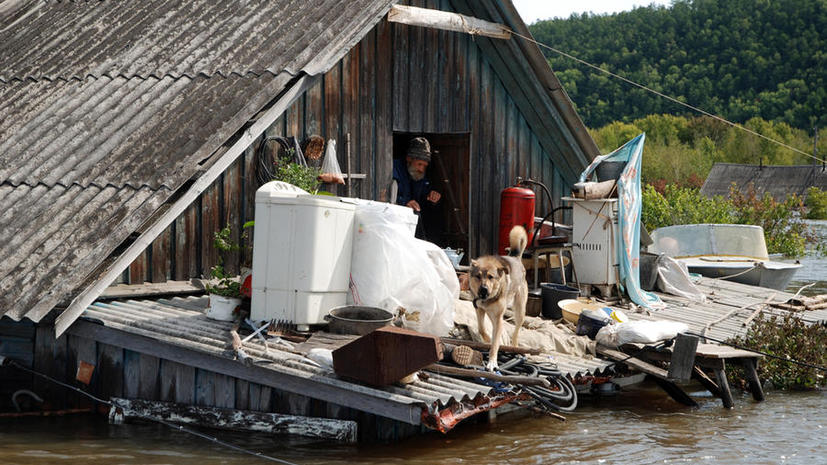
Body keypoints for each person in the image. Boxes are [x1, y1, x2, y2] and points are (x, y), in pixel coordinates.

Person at [393, 137, 441, 212]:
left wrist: (431, 196)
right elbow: (385, 194)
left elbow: (424, 195)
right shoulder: (394, 168)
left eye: (425, 166)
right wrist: (404, 202)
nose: (421, 169)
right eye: (419, 164)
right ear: (409, 159)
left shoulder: (420, 176)